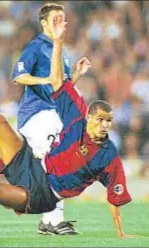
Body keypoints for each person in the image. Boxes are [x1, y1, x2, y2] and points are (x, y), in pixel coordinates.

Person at [0, 14, 137, 238]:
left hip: (43, 194)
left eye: (108, 121)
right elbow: (53, 84)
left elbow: (115, 196)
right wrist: (58, 43)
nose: (104, 125)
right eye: (100, 119)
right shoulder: (75, 116)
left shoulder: (108, 155)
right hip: (33, 163)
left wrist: (121, 233)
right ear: (89, 117)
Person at [12, 2, 91, 234]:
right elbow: (18, 76)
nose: (60, 22)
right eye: (55, 18)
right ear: (44, 23)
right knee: (57, 161)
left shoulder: (61, 51)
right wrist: (43, 80)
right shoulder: (36, 47)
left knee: (62, 162)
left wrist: (75, 75)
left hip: (52, 114)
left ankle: (48, 221)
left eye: (62, 18)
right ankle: (54, 221)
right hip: (36, 113)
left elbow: (59, 88)